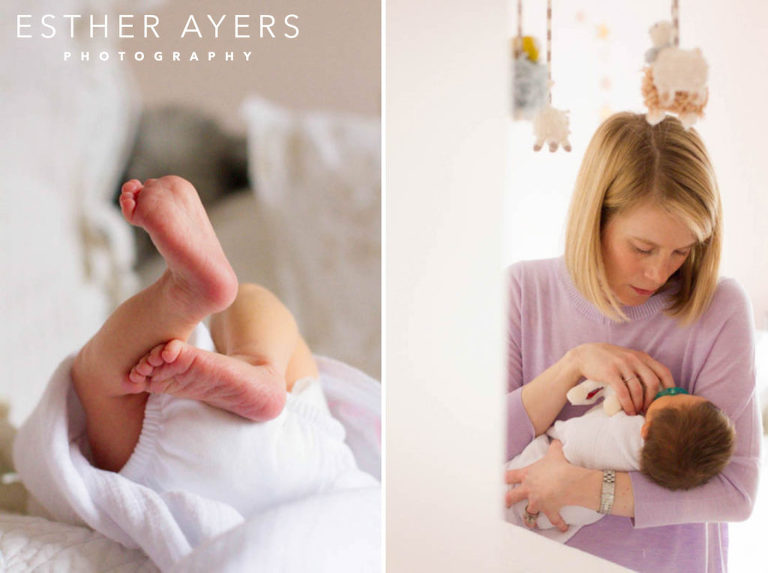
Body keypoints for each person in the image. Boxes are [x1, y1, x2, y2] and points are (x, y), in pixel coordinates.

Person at [504, 112, 760, 572]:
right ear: (594, 217)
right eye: (642, 248)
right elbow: (478, 451)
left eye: (682, 251)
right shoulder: (524, 291)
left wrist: (582, 486)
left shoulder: (719, 308)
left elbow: (736, 492)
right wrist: (574, 365)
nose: (660, 272)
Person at [69, 175, 376, 510]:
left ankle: (189, 298)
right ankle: (258, 361)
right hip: (318, 468)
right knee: (255, 308)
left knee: (96, 378)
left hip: (170, 475)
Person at [506, 385, 735, 542]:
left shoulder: (627, 435)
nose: (674, 391)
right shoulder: (664, 466)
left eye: (676, 397)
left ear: (644, 428)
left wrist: (555, 437)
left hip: (532, 480)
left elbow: (578, 438)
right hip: (565, 517)